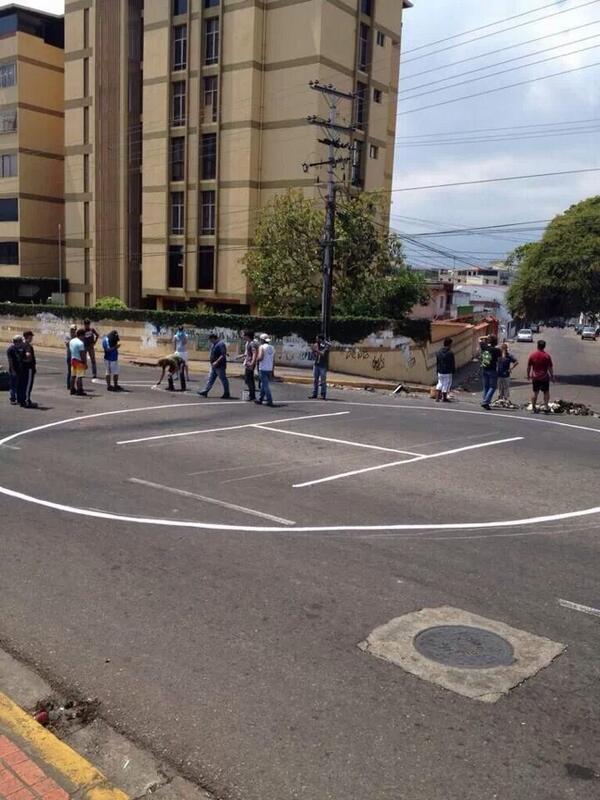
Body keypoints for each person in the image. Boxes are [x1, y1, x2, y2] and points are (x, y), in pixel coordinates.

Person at [198, 333, 230, 398]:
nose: (210, 341)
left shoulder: (221, 344)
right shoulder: (214, 344)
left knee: (223, 379)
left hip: (220, 366)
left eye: (210, 339)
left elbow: (223, 354)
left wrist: (216, 361)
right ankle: (205, 391)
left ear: (213, 338)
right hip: (214, 366)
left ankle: (227, 393)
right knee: (210, 379)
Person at [527, 339, 554, 413]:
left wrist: (528, 375)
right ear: (544, 346)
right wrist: (552, 376)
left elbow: (529, 366)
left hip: (535, 377)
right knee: (546, 392)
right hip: (544, 377)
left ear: (537, 346)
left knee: (535, 392)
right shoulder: (547, 356)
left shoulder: (532, 355)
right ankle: (545, 406)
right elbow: (550, 367)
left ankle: (533, 406)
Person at [479, 334, 502, 410]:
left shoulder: (485, 347)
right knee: (492, 387)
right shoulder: (497, 350)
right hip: (492, 369)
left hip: (485, 368)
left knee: (486, 387)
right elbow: (499, 360)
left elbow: (479, 338)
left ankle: (485, 402)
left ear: (489, 341)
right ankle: (486, 402)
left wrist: (486, 337)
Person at [16, 330, 37, 408]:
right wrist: (28, 359)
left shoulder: (20, 345)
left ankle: (21, 400)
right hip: (28, 368)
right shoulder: (27, 346)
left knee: (22, 384)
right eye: (31, 336)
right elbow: (28, 356)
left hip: (21, 367)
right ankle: (26, 401)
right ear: (27, 336)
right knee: (28, 385)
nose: (32, 338)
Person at [256, 333, 275, 406]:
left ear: (262, 340)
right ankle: (260, 399)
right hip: (269, 369)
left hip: (263, 368)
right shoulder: (272, 348)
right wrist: (273, 371)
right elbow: (273, 360)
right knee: (264, 385)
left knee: (265, 385)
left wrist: (256, 359)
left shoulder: (261, 347)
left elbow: (260, 357)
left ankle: (270, 400)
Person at [435, 337, 455, 403]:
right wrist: (453, 370)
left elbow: (437, 362)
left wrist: (437, 370)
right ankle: (444, 398)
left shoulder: (438, 352)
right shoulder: (450, 353)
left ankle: (437, 398)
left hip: (440, 371)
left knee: (440, 383)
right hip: (447, 371)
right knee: (446, 384)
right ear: (449, 344)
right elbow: (452, 363)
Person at [311, 334, 330, 400]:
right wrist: (313, 352)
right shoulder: (316, 345)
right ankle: (314, 394)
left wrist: (316, 350)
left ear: (320, 339)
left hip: (323, 365)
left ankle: (323, 394)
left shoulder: (326, 345)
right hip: (316, 364)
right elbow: (315, 355)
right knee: (315, 380)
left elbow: (322, 353)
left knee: (323, 381)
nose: (316, 340)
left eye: (317, 339)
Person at [69, 328, 88, 396]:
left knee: (73, 375)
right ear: (81, 335)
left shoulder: (71, 341)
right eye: (84, 336)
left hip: (73, 359)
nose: (84, 337)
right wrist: (85, 363)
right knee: (79, 376)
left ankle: (72, 389)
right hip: (79, 361)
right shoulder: (80, 343)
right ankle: (79, 390)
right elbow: (82, 354)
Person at [6, 335, 23, 406]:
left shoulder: (20, 348)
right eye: (20, 341)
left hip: (20, 370)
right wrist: (12, 370)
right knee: (13, 385)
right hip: (14, 370)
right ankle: (12, 398)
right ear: (17, 341)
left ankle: (19, 399)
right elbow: (10, 361)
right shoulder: (10, 349)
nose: (22, 342)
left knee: (19, 385)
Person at [242, 330, 258, 401]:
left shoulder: (252, 344)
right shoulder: (249, 343)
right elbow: (249, 353)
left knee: (248, 380)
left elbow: (254, 353)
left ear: (247, 336)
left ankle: (252, 395)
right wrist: (241, 356)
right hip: (248, 363)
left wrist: (252, 363)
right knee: (249, 380)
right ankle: (252, 395)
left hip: (250, 364)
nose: (243, 336)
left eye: (244, 335)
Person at [65, 324, 77, 390]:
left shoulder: (76, 337)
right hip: (69, 356)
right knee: (69, 371)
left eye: (74, 330)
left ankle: (72, 385)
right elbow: (67, 344)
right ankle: (68, 385)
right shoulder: (68, 337)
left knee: (74, 372)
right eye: (72, 330)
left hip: (75, 356)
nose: (73, 331)